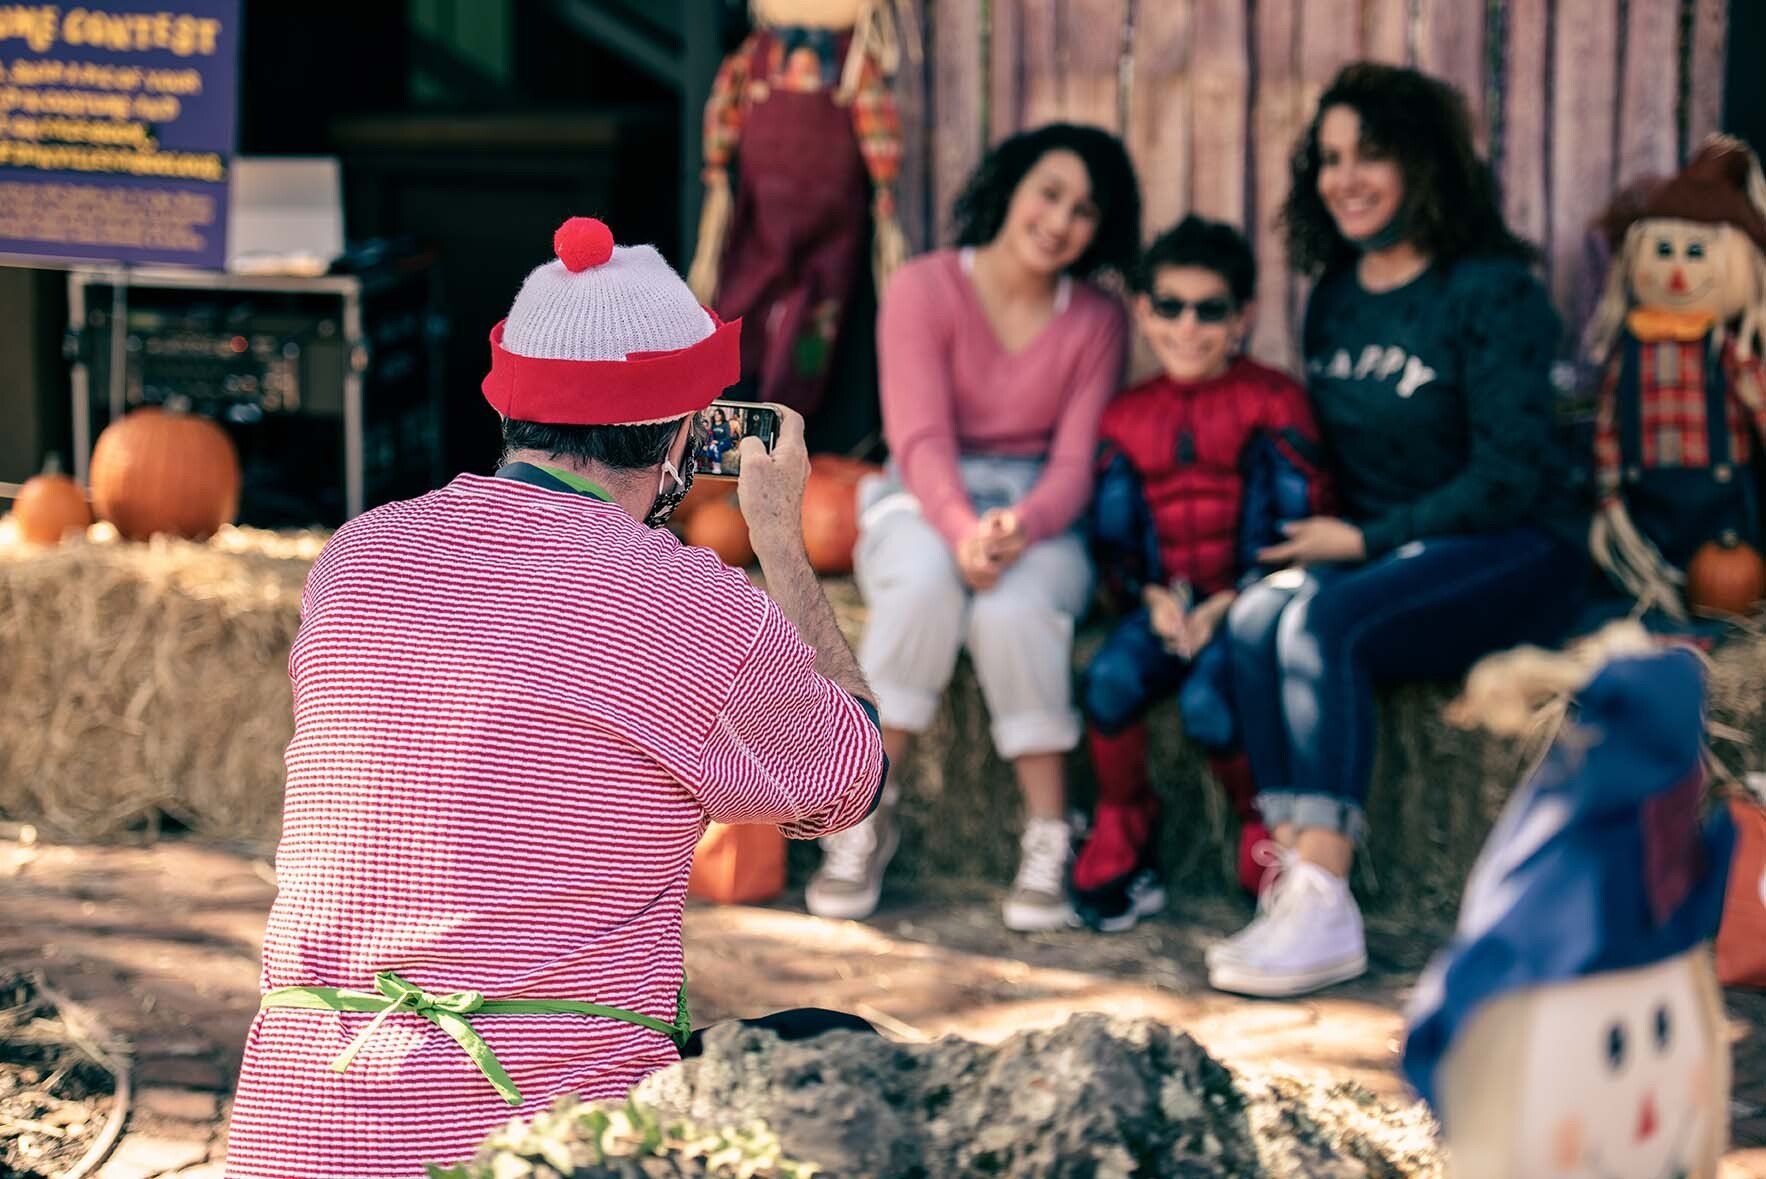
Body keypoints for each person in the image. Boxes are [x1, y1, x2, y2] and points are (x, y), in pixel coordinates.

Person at [224, 217, 888, 1178]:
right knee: (839, 1047)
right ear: (686, 432)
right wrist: (780, 539)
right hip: (529, 1136)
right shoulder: (686, 599)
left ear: (512, 406)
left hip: (292, 1130)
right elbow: (849, 780)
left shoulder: (356, 557)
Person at [1207, 63, 1588, 998]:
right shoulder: (1337, 292)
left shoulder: (1492, 291)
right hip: (1392, 552)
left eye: (1370, 154)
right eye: (1329, 158)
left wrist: (1369, 545)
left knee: (1322, 622)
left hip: (1515, 550)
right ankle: (1293, 874)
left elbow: (1512, 476)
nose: (1346, 177)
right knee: (1259, 616)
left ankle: (1329, 900)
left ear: (1424, 162)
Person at [804, 123, 1140, 931]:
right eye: (1049, 193)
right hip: (924, 491)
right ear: (1011, 187)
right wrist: (960, 530)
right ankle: (861, 817)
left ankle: (1049, 835)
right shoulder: (923, 288)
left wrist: (1019, 526)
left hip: (1040, 511)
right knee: (920, 586)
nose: (1060, 220)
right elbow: (917, 439)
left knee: (1015, 609)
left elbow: (1073, 465)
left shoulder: (1097, 320)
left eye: (1084, 210)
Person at [1073, 215, 1330, 931]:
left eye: (1210, 308)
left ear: (1242, 315)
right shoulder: (1125, 416)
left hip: (1247, 602)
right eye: (1171, 306)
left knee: (1211, 704)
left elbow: (1298, 516)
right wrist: (1151, 597)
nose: (1189, 325)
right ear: (1144, 311)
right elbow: (1116, 537)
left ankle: (1264, 824)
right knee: (1109, 682)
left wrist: (1231, 602)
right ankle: (1124, 818)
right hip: (1163, 605)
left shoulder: (1274, 400)